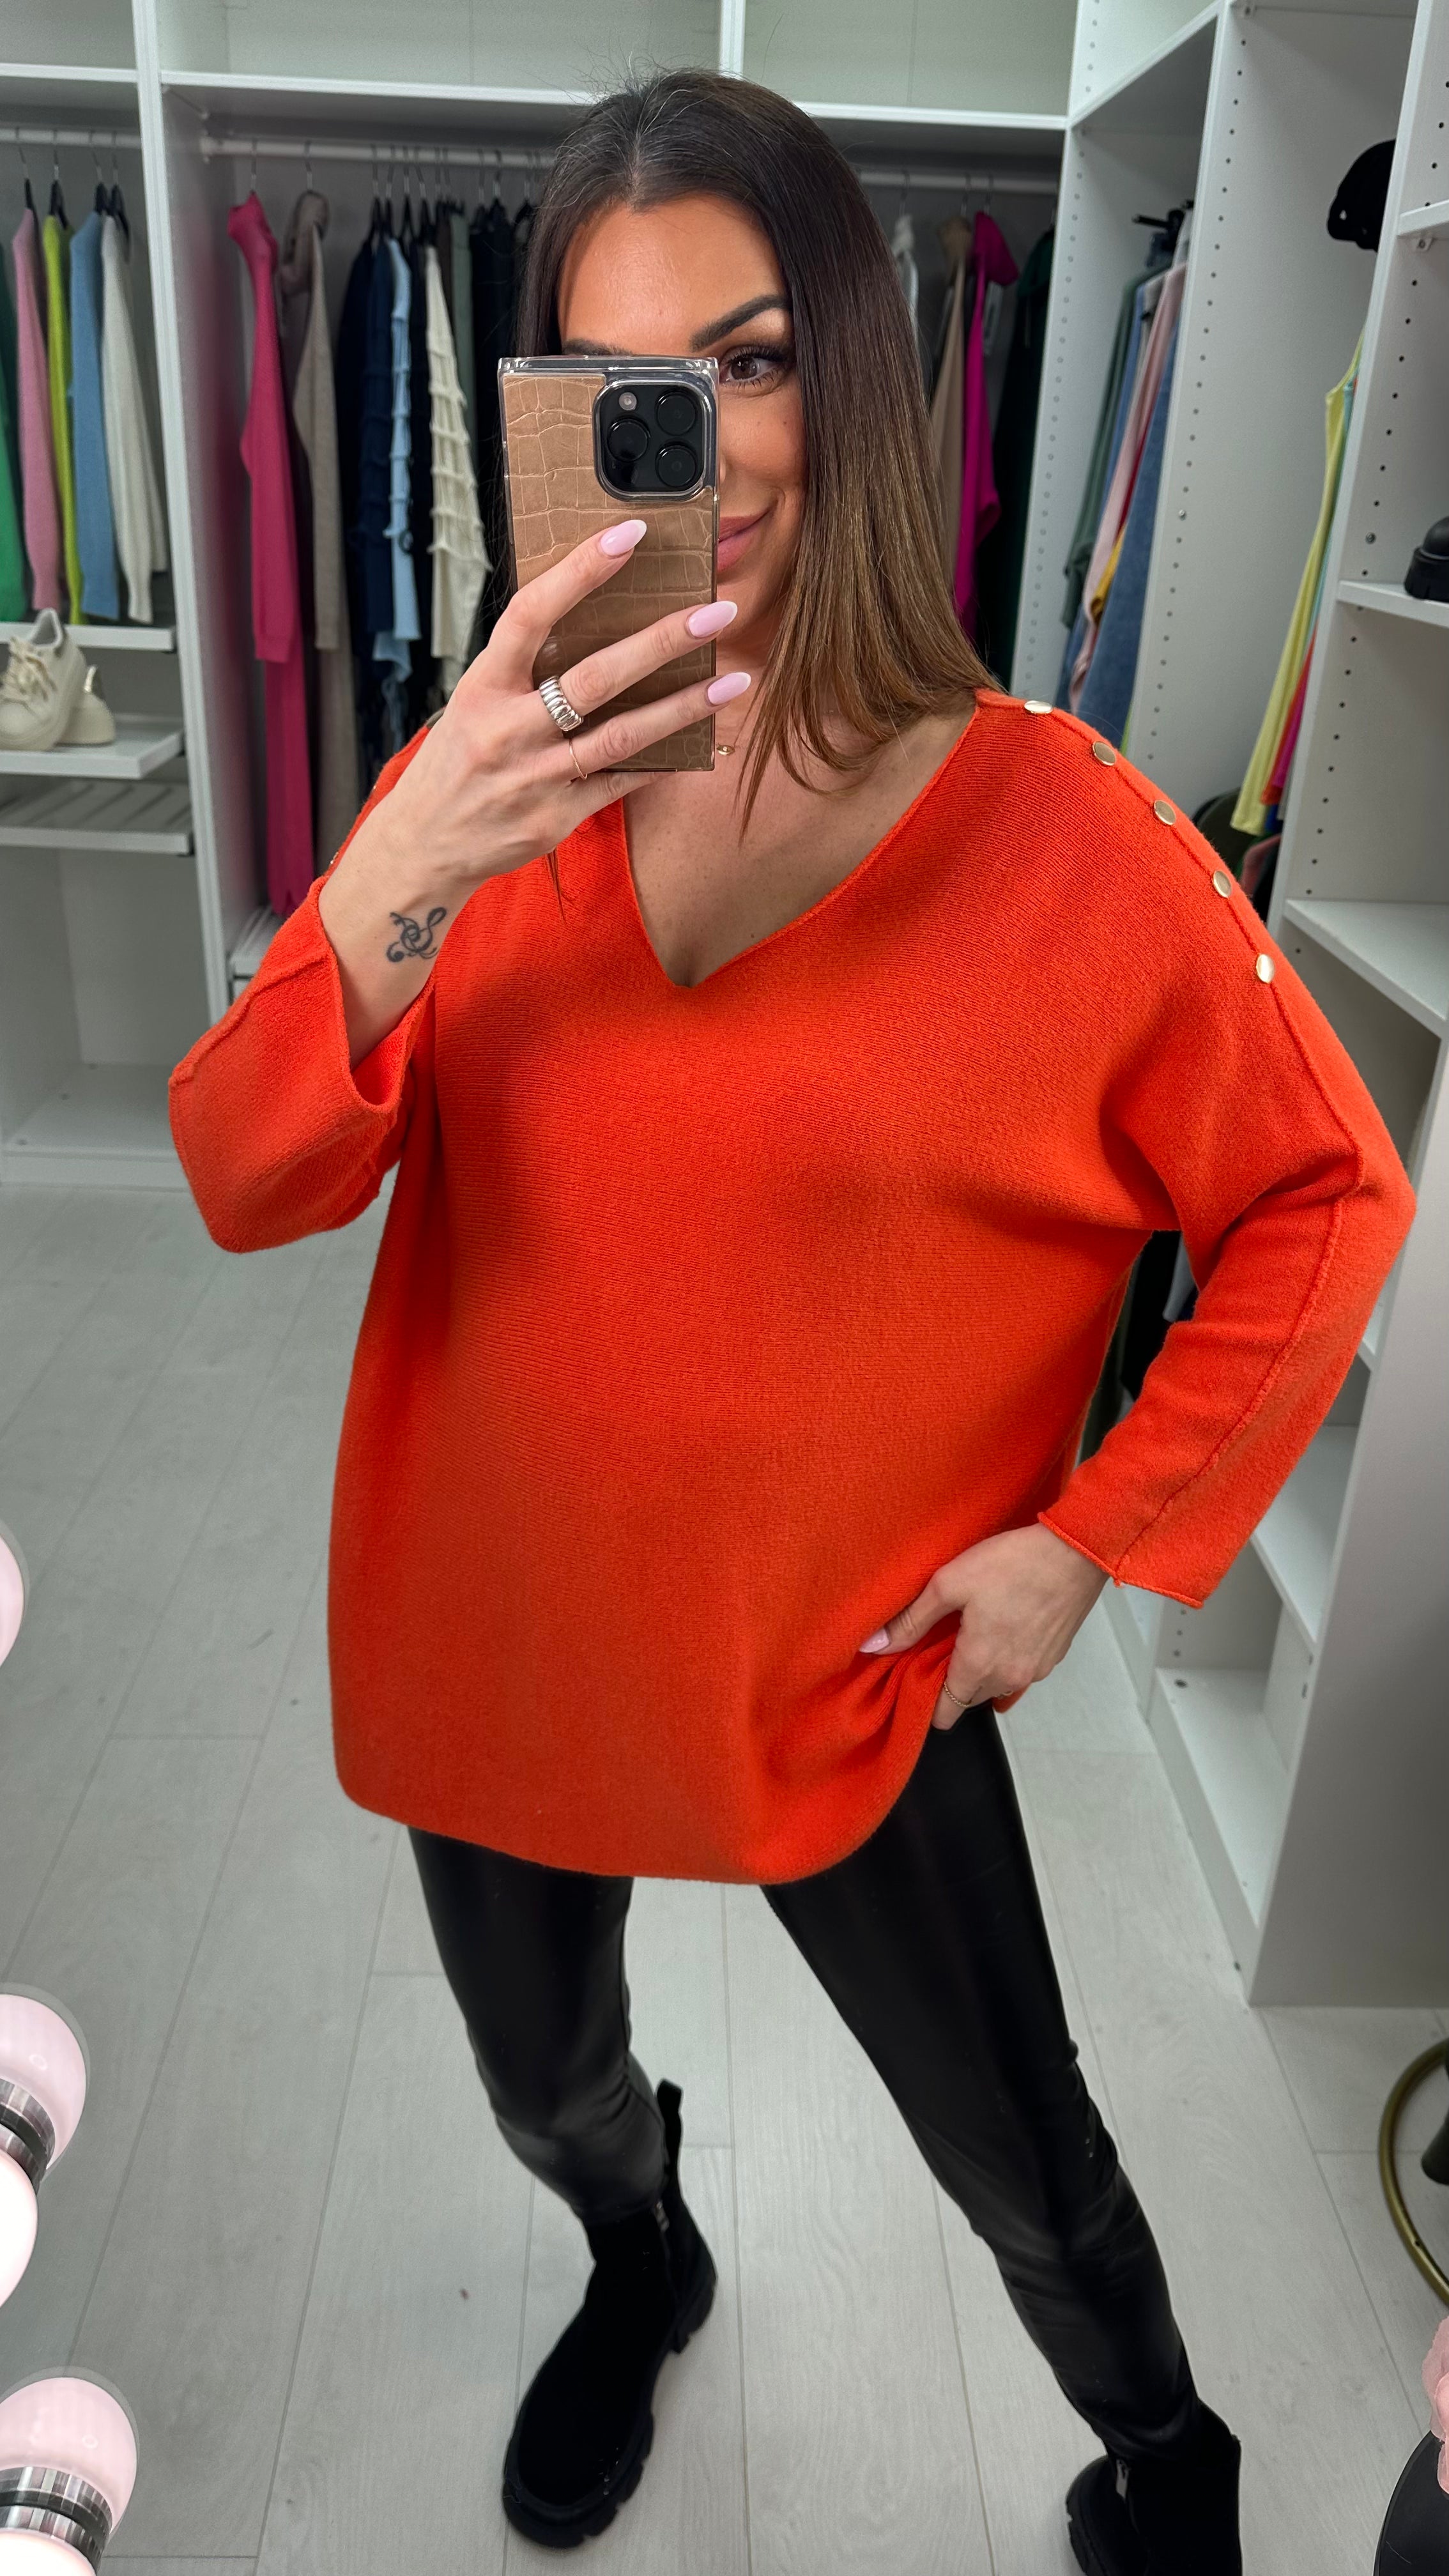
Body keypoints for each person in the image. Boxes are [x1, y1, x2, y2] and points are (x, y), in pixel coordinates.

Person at [169, 71, 1416, 2575]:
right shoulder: (487, 805)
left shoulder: (1062, 833)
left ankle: (1166, 2453)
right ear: (544, 419)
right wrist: (419, 851)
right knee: (548, 2098)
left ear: (849, 369)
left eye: (747, 360)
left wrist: (1091, 1544)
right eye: (620, 380)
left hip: (856, 1666)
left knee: (1027, 2164)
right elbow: (243, 1168)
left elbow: (1324, 1194)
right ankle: (642, 2260)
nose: (704, 444)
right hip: (501, 1635)